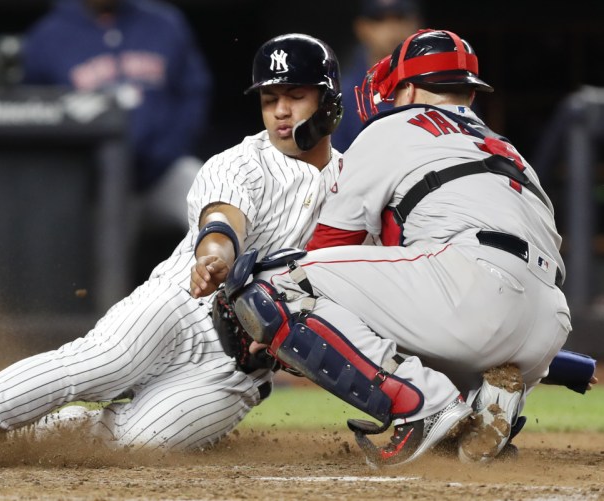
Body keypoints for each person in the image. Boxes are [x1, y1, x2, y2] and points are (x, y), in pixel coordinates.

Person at [0, 33, 345, 467]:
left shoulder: (355, 184)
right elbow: (222, 220)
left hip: (237, 372)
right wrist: (216, 255)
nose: (281, 110)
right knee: (100, 363)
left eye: (295, 96)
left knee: (140, 442)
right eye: (270, 99)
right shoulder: (240, 162)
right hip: (182, 305)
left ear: (328, 102)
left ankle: (27, 433)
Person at [224, 29, 572, 467]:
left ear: (408, 86)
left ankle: (425, 405)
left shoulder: (396, 125)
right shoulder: (509, 151)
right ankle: (482, 400)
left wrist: (277, 335)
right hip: (547, 324)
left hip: (470, 292)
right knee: (405, 307)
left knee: (272, 284)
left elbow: (327, 247)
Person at [21, 0, 212, 232]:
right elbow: (34, 118)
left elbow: (192, 94)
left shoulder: (165, 23)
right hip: (94, 183)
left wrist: (163, 153)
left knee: (208, 195)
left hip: (161, 172)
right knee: (97, 250)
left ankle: (237, 267)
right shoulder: (46, 36)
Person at [331, 0, 422, 152]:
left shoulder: (443, 85)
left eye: (400, 18)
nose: (391, 28)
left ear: (416, 23)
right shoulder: (343, 96)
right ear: (362, 28)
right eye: (379, 19)